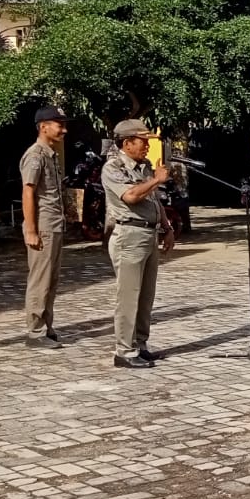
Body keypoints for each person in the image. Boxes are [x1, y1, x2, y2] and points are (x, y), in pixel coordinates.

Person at [102, 120, 176, 370]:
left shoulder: (144, 167)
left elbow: (154, 202)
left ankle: (140, 344)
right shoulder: (113, 168)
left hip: (148, 234)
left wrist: (167, 228)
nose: (147, 147)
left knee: (145, 296)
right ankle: (124, 350)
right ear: (127, 143)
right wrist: (156, 180)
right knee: (129, 296)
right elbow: (132, 196)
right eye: (143, 141)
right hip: (129, 236)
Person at [20, 106, 69, 349]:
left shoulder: (51, 154)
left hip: (55, 224)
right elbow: (28, 191)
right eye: (59, 125)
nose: (64, 130)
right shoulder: (35, 155)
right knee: (40, 279)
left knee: (52, 279)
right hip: (43, 226)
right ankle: (35, 331)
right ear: (43, 126)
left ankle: (46, 326)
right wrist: (31, 229)